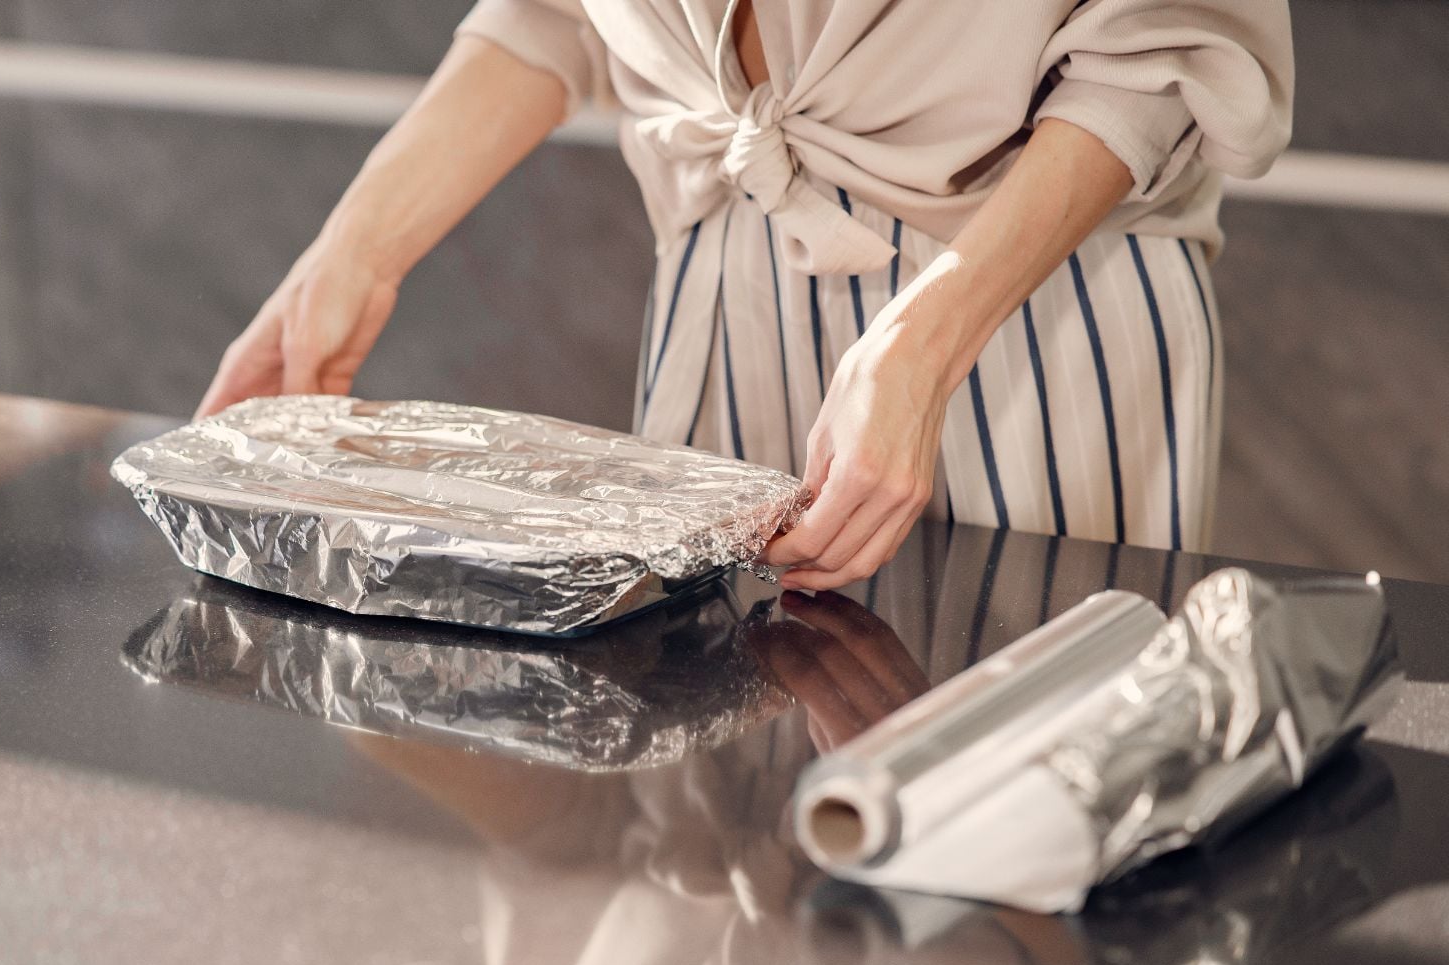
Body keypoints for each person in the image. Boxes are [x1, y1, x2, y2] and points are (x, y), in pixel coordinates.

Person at [196, 1, 1293, 591]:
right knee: (712, 843)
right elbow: (562, 13)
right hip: (722, 282)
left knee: (1019, 833)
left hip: (1028, 301)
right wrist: (351, 256)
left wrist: (922, 345)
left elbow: (1158, 50)